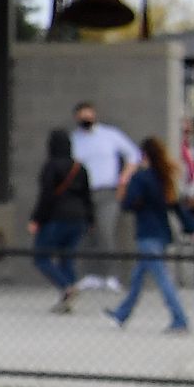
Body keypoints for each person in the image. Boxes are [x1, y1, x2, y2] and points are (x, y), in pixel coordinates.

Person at [109, 135, 194, 334]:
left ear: (144, 155)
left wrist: (125, 185)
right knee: (137, 277)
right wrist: (193, 230)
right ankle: (122, 313)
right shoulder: (164, 178)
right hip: (161, 233)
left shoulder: (140, 178)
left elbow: (128, 204)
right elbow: (177, 207)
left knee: (162, 278)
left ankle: (180, 320)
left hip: (147, 233)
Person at [68, 101, 139, 289]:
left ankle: (111, 275)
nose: (86, 120)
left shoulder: (110, 135)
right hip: (83, 194)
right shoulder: (74, 139)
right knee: (85, 234)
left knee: (106, 232)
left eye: (89, 116)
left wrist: (123, 179)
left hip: (107, 191)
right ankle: (90, 274)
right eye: (83, 117)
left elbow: (133, 155)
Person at [26, 127, 93, 311]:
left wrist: (36, 219)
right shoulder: (80, 167)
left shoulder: (51, 166)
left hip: (56, 217)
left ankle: (67, 287)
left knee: (41, 257)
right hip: (78, 218)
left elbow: (46, 196)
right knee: (67, 258)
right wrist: (90, 219)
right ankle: (67, 299)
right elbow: (87, 196)